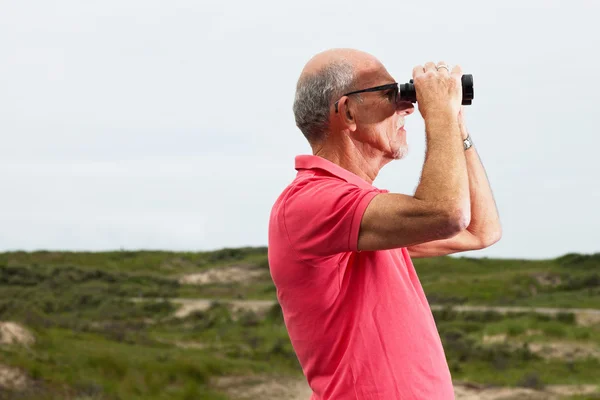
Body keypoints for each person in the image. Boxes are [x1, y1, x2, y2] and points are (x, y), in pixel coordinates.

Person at [267, 48, 502, 400]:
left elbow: (478, 231)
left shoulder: (360, 213)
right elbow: (447, 213)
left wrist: (455, 123)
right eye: (391, 95)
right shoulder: (312, 203)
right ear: (348, 112)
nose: (408, 107)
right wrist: (437, 113)